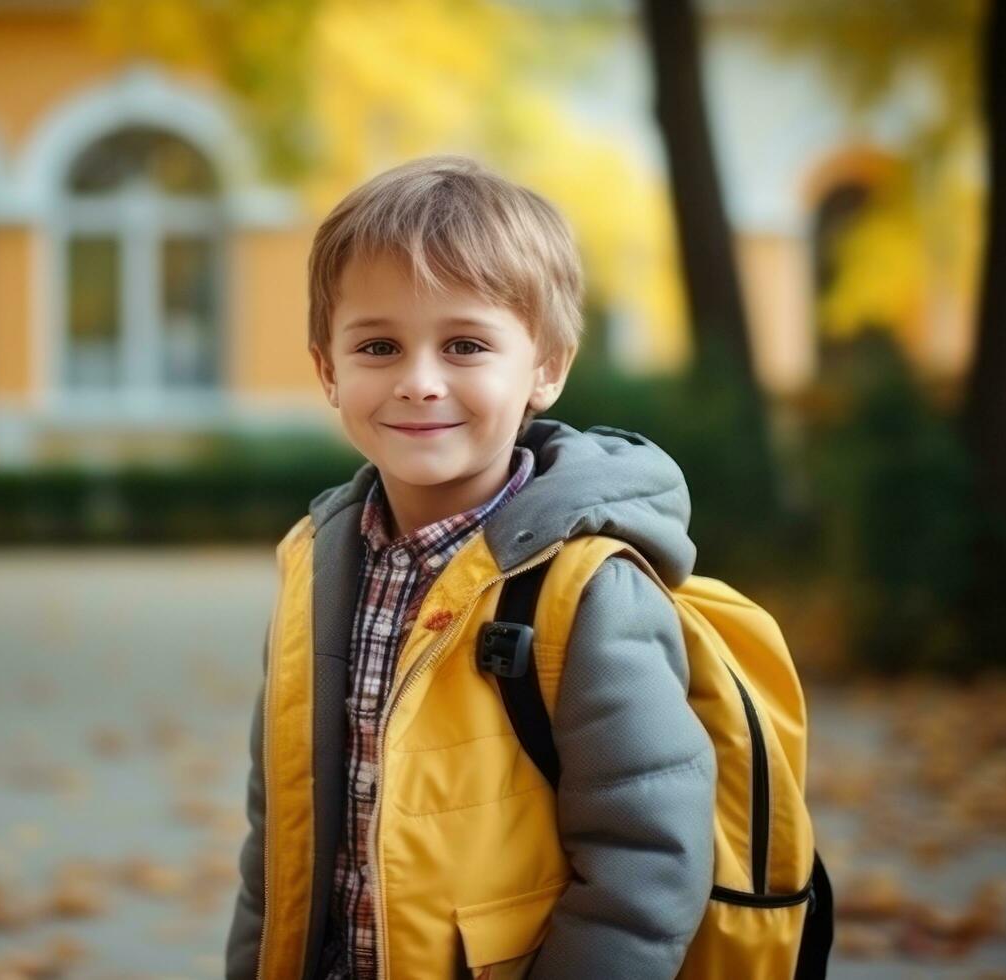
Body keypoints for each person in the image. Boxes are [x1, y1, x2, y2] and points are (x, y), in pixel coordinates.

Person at [225, 155, 716, 979]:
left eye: (464, 345)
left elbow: (645, 865)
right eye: (379, 346)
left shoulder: (586, 590)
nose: (420, 383)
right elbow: (277, 834)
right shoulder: (316, 566)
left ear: (546, 368)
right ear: (328, 372)